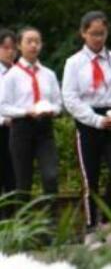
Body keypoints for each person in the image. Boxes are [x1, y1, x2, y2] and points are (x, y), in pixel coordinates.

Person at [62, 11, 111, 246]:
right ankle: (91, 227)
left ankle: (110, 222)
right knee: (90, 178)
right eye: (93, 34)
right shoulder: (74, 63)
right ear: (83, 33)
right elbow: (70, 98)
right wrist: (95, 120)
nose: (98, 38)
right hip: (88, 122)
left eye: (102, 33)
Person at [0, 27, 62, 204]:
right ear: (19, 46)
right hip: (21, 128)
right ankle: (23, 220)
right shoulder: (11, 76)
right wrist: (26, 112)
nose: (34, 45)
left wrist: (51, 110)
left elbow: (58, 104)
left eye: (37, 41)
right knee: (22, 182)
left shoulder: (49, 74)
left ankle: (51, 218)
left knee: (50, 176)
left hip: (44, 128)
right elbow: (3, 107)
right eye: (29, 41)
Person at [0, 29, 18, 201]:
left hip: (16, 130)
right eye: (5, 47)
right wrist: (3, 119)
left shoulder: (19, 72)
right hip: (2, 127)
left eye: (13, 48)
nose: (10, 52)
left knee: (14, 177)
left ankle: (14, 214)